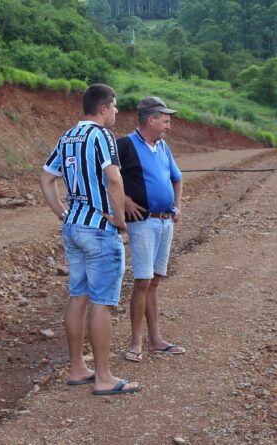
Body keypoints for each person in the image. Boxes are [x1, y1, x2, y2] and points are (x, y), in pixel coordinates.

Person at [38, 83, 140, 396]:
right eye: (115, 106)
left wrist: (61, 211)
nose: (117, 112)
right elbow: (113, 178)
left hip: (73, 227)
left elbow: (46, 178)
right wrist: (120, 218)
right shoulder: (102, 136)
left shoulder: (66, 137)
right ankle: (104, 377)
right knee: (102, 302)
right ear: (102, 108)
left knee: (78, 295)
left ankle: (77, 368)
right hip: (99, 228)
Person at [116, 97, 185, 363]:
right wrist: (123, 200)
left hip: (164, 221)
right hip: (143, 222)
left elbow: (177, 179)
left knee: (154, 281)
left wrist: (176, 206)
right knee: (143, 281)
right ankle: (136, 343)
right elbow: (105, 176)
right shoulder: (125, 145)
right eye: (166, 120)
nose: (169, 125)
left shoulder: (163, 147)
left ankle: (155, 340)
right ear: (151, 119)